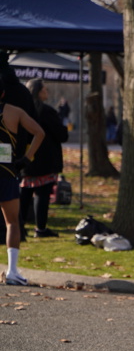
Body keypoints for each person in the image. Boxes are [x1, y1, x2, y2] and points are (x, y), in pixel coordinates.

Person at [0, 79, 46, 286]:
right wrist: (26, 159)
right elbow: (39, 133)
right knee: (12, 222)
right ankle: (12, 271)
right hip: (6, 172)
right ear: (3, 94)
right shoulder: (14, 112)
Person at [20, 79, 66, 238]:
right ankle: (40, 228)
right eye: (45, 89)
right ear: (38, 92)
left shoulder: (22, 110)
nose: (47, 92)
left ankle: (19, 225)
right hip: (45, 159)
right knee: (42, 193)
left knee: (25, 192)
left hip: (27, 157)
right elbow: (61, 134)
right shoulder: (46, 111)